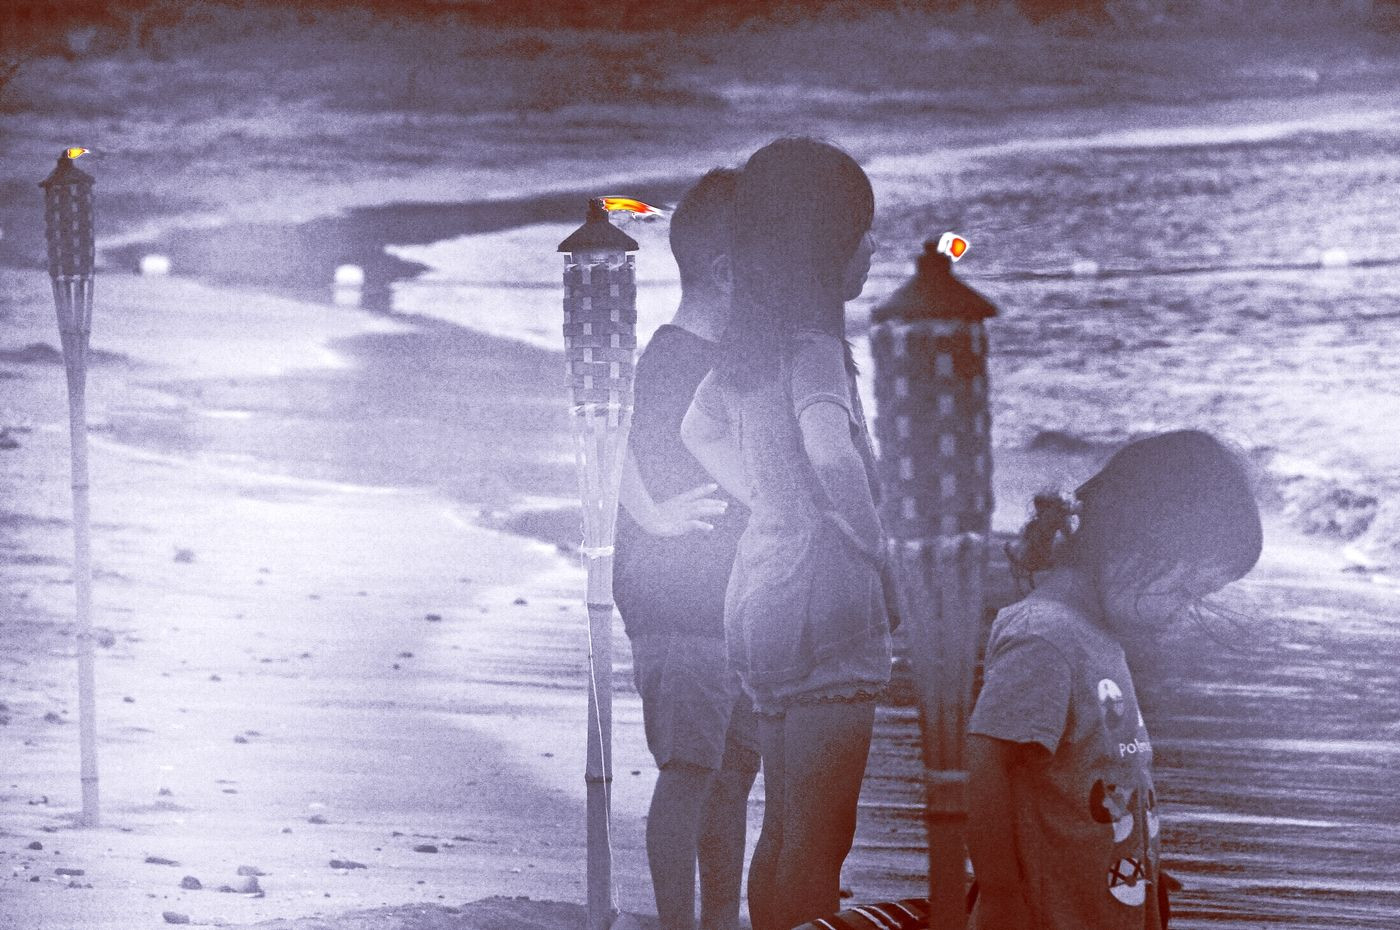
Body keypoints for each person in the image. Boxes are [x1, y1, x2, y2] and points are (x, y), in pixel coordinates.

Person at [681, 137, 892, 930]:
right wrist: (877, 548)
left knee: (782, 822)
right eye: (864, 232)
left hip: (758, 593)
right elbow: (832, 451)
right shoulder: (815, 352)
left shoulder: (746, 354)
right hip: (825, 602)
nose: (873, 247)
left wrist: (768, 497)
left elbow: (696, 430)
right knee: (821, 838)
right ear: (826, 251)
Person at [966, 429, 1263, 930]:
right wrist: (999, 895)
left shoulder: (1097, 636)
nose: (1181, 613)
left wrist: (1139, 867)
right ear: (1134, 544)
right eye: (1184, 590)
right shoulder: (1046, 637)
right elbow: (986, 767)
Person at [614, 168, 759, 930]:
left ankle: (719, 919)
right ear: (730, 272)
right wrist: (651, 513)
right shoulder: (671, 357)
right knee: (691, 770)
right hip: (678, 604)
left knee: (730, 774)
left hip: (726, 602)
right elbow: (602, 435)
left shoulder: (717, 360)